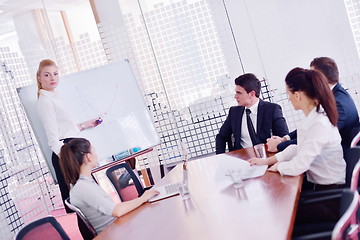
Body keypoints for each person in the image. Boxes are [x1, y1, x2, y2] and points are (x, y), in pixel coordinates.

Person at [248, 67, 346, 189]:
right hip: (320, 185)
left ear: (297, 95)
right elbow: (297, 148)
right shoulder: (313, 117)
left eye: (288, 94)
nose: (288, 98)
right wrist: (267, 161)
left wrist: (279, 166)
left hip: (330, 191)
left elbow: (299, 165)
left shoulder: (319, 124)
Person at [36, 59, 102, 212]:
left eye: (55, 74)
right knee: (85, 207)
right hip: (65, 154)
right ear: (40, 78)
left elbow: (65, 130)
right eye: (47, 75)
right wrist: (70, 160)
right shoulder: (46, 101)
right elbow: (53, 140)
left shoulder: (54, 97)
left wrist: (85, 125)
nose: (52, 78)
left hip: (71, 150)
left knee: (92, 202)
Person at [59, 138, 159, 233]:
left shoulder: (83, 183)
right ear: (89, 157)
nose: (97, 155)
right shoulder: (82, 187)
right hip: (115, 232)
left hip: (118, 227)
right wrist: (144, 198)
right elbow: (117, 211)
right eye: (94, 151)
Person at [267, 57, 359, 154]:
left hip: (339, 156)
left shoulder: (339, 103)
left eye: (312, 75)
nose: (308, 80)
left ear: (321, 78)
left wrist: (279, 146)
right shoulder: (334, 95)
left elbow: (315, 136)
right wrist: (284, 139)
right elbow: (309, 128)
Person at [215, 73, 289, 154]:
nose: (235, 96)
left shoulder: (272, 109)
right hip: (242, 159)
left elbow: (283, 137)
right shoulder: (234, 112)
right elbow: (221, 137)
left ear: (251, 94)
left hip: (268, 156)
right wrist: (221, 156)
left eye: (239, 93)